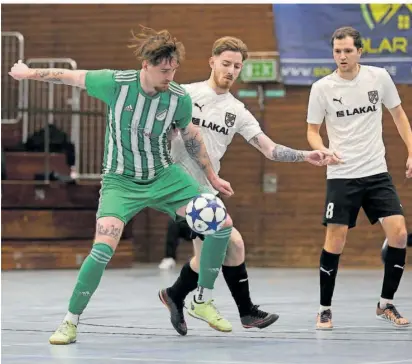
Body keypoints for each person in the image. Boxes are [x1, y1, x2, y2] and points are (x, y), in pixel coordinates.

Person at [9, 26, 238, 344]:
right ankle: (69, 321)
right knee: (103, 248)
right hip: (120, 182)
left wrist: (211, 177)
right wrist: (29, 72)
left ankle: (202, 299)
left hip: (164, 177)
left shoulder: (178, 99)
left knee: (221, 222)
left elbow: (191, 137)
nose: (169, 76)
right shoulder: (115, 84)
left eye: (173, 70)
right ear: (146, 65)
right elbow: (69, 76)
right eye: (163, 70)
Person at [158, 36, 336, 335]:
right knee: (222, 246)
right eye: (225, 63)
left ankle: (176, 295)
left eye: (237, 66)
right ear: (212, 61)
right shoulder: (186, 94)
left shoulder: (237, 110)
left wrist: (307, 155)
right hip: (177, 187)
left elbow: (270, 149)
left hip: (207, 191)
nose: (230, 70)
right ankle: (243, 311)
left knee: (232, 247)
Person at [306, 26, 411, 330]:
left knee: (399, 234)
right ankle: (324, 308)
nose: (342, 56)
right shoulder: (322, 88)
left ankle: (386, 303)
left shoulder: (378, 78)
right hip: (342, 175)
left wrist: (410, 151)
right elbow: (312, 131)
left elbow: (399, 116)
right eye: (337, 51)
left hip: (377, 172)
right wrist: (322, 149)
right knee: (335, 241)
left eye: (348, 50)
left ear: (360, 52)